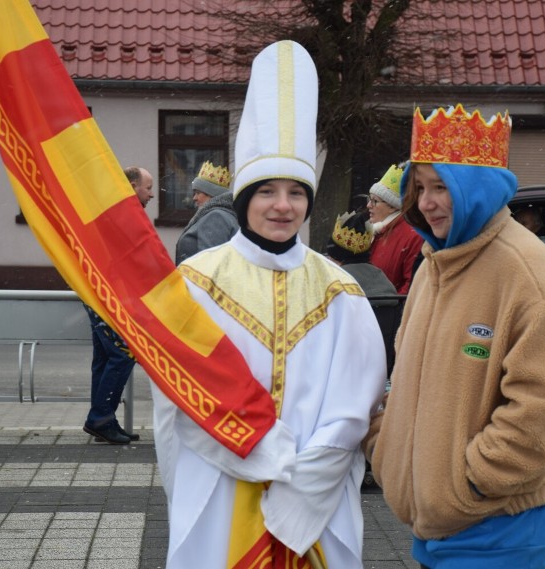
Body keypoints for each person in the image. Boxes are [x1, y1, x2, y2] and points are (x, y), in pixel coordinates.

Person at [151, 41, 386, 568]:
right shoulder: (195, 281)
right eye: (266, 192)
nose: (283, 206)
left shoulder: (340, 290)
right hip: (222, 487)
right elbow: (180, 396)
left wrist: (308, 476)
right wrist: (263, 457)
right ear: (242, 200)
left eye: (296, 193)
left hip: (316, 498)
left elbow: (357, 402)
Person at [365, 105, 545, 569]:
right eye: (419, 187)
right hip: (438, 521)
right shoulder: (434, 265)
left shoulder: (526, 271)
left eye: (442, 187)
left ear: (478, 188)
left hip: (501, 523)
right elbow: (407, 377)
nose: (426, 202)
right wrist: (388, 451)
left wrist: (472, 480)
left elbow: (544, 404)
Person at [82, 166, 154, 445]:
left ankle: (103, 420)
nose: (151, 194)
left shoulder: (108, 208)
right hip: (109, 295)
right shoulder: (121, 213)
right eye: (148, 188)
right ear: (133, 186)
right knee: (123, 354)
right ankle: (100, 418)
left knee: (105, 357)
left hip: (97, 292)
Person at [368, 164, 424, 294]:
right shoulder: (377, 232)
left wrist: (391, 311)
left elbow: (411, 285)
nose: (368, 205)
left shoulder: (413, 236)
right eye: (369, 199)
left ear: (393, 206)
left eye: (375, 201)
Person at [174, 161, 238, 264]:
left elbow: (210, 264)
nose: (194, 198)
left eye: (198, 193)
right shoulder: (224, 215)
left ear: (211, 194)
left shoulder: (216, 217)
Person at [325, 210, 397, 299]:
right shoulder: (386, 285)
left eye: (330, 259)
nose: (328, 263)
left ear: (338, 261)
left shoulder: (334, 288)